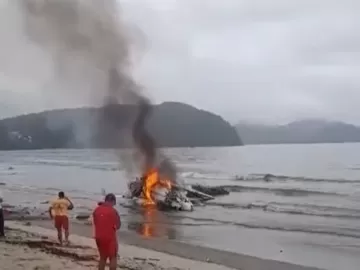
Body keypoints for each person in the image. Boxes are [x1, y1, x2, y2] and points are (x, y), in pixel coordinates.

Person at [92, 193, 121, 270]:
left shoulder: (96, 210)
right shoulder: (114, 211)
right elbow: (118, 226)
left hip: (98, 237)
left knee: (102, 258)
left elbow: (96, 222)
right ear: (113, 201)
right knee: (113, 258)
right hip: (110, 238)